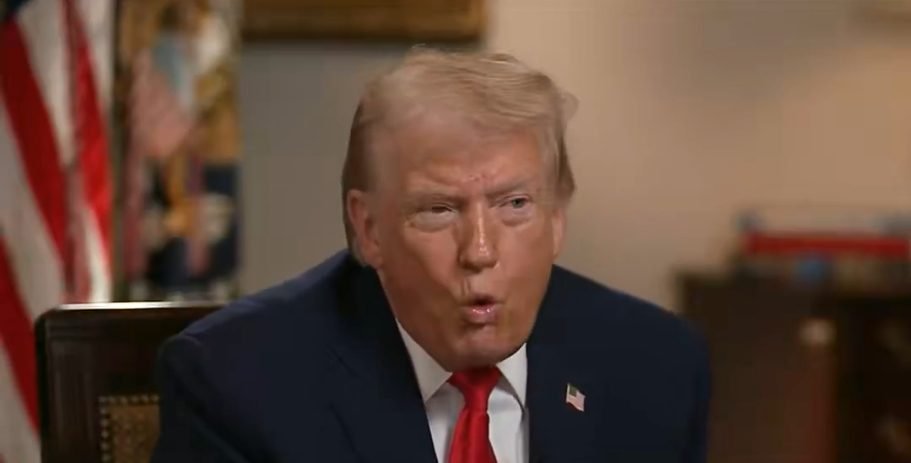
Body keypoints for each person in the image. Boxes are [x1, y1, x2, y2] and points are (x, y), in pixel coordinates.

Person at [151, 49, 710, 463]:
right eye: (439, 210)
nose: (480, 251)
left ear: (557, 217)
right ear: (368, 228)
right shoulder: (236, 382)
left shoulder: (655, 366)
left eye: (515, 205)